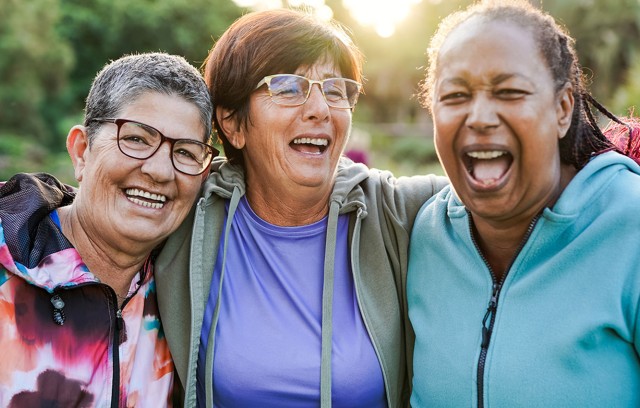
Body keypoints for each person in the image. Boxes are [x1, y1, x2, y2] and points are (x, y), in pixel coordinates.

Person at [154, 8, 447, 408]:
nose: (319, 109)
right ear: (233, 124)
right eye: (288, 88)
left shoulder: (396, 210)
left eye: (335, 89)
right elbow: (95, 212)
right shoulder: (189, 211)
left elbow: (517, 188)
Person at [407, 0, 640, 406]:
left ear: (562, 109)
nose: (479, 117)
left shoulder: (630, 227)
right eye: (455, 95)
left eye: (510, 92)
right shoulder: (427, 232)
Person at [0, 52, 216, 407]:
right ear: (82, 151)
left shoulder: (188, 294)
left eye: (186, 153)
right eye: (136, 139)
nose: (161, 171)